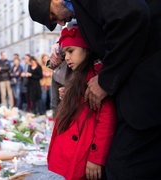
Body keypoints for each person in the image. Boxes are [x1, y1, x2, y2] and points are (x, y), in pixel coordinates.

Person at [29, 0, 161, 179]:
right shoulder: (79, 12)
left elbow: (130, 16)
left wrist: (105, 81)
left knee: (124, 167)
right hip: (137, 91)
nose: (60, 23)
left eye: (53, 17)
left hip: (145, 89)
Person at [47, 26, 116, 180]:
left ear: (86, 49)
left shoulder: (96, 80)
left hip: (85, 151)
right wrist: (69, 95)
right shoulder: (78, 75)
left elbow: (106, 119)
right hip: (76, 150)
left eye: (71, 51)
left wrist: (96, 157)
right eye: (64, 54)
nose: (67, 58)